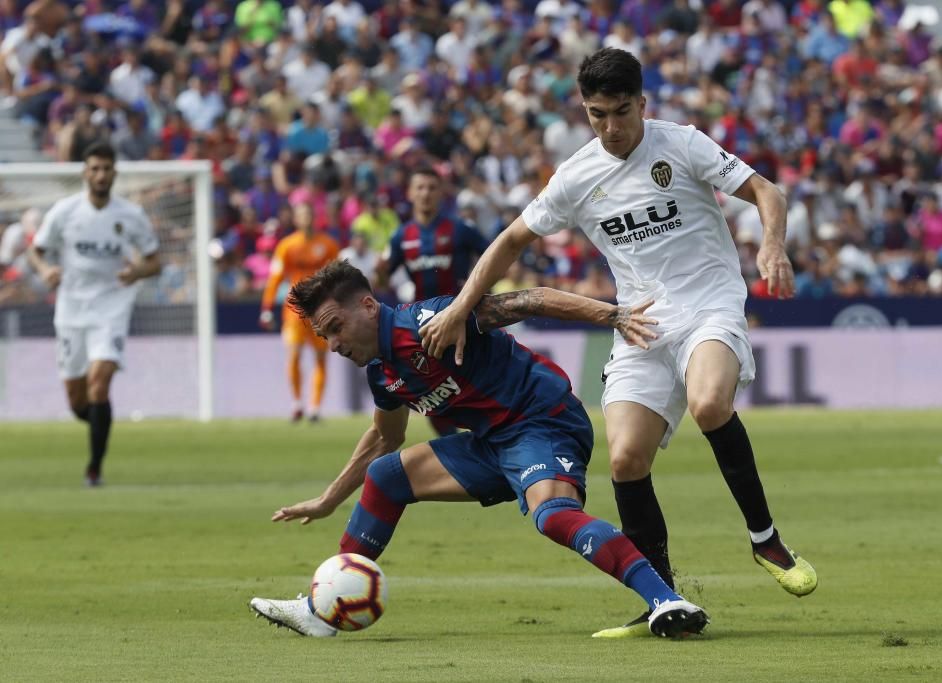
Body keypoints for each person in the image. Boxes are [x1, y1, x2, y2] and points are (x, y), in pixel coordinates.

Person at [419, 48, 817, 637]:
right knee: (626, 457)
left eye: (621, 112)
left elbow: (768, 193)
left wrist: (772, 245)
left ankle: (766, 540)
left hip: (709, 301)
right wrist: (458, 307)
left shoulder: (681, 143)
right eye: (596, 114)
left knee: (710, 404)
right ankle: (662, 599)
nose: (610, 127)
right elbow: (509, 242)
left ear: (643, 105)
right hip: (638, 321)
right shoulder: (577, 176)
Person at [249, 260, 708, 638]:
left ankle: (666, 600)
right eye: (323, 337)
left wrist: (614, 315)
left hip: (541, 421)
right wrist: (331, 499)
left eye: (335, 328)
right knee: (387, 477)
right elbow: (385, 438)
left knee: (553, 515)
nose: (332, 346)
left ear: (368, 306)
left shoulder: (427, 324)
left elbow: (534, 299)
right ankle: (322, 611)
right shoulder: (383, 373)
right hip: (492, 444)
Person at [26, 142, 161, 486]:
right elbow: (36, 251)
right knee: (78, 400)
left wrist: (136, 273)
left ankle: (94, 468)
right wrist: (44, 271)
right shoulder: (64, 211)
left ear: (115, 172)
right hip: (71, 309)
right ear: (85, 173)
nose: (101, 175)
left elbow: (155, 261)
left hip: (112, 307)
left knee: (99, 385)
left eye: (106, 169)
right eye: (95, 169)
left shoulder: (130, 215)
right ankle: (102, 425)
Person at [377, 166, 490, 436]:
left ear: (441, 193)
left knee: (475, 384)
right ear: (410, 193)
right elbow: (382, 281)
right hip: (420, 329)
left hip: (460, 320)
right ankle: (455, 445)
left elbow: (493, 258)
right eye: (420, 187)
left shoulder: (460, 229)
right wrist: (379, 270)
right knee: (430, 392)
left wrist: (475, 291)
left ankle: (487, 437)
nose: (426, 193)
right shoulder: (401, 236)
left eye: (431, 187)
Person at [260, 203, 340, 422]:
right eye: (302, 215)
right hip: (295, 310)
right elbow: (275, 277)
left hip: (321, 309)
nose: (306, 219)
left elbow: (339, 277)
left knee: (321, 358)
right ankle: (297, 404)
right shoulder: (287, 246)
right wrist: (266, 308)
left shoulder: (328, 245)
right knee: (294, 354)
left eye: (309, 214)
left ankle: (315, 408)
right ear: (296, 219)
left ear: (315, 217)